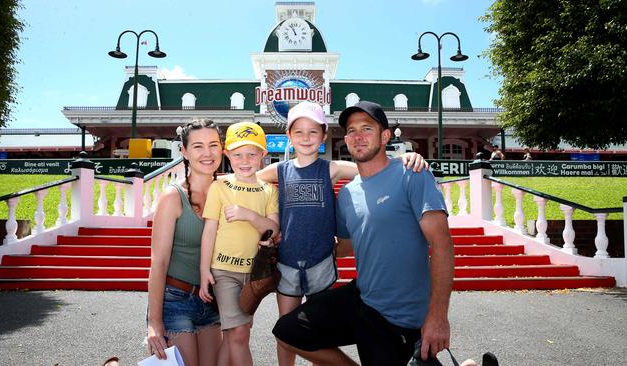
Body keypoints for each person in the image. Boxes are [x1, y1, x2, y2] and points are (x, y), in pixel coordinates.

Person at [273, 101, 454, 366]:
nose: (358, 136)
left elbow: (442, 245)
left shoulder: (411, 174)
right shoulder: (347, 193)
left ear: (385, 136)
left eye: (367, 128)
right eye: (351, 130)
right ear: (345, 139)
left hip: (400, 316)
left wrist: (438, 315)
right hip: (363, 300)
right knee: (287, 332)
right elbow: (345, 246)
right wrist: (294, 243)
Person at [146, 119, 229, 366]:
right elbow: (158, 263)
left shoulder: (227, 191)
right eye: (198, 146)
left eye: (213, 145)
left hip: (211, 300)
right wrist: (154, 323)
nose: (207, 153)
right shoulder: (173, 196)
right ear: (183, 151)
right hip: (175, 300)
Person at [199, 121, 280, 366]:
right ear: (227, 155)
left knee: (234, 334)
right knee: (240, 333)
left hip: (254, 274)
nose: (245, 160)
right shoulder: (219, 186)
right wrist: (204, 271)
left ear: (263, 156)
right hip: (224, 272)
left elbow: (273, 229)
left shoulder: (268, 190)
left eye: (252, 154)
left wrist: (249, 215)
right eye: (237, 154)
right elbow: (209, 230)